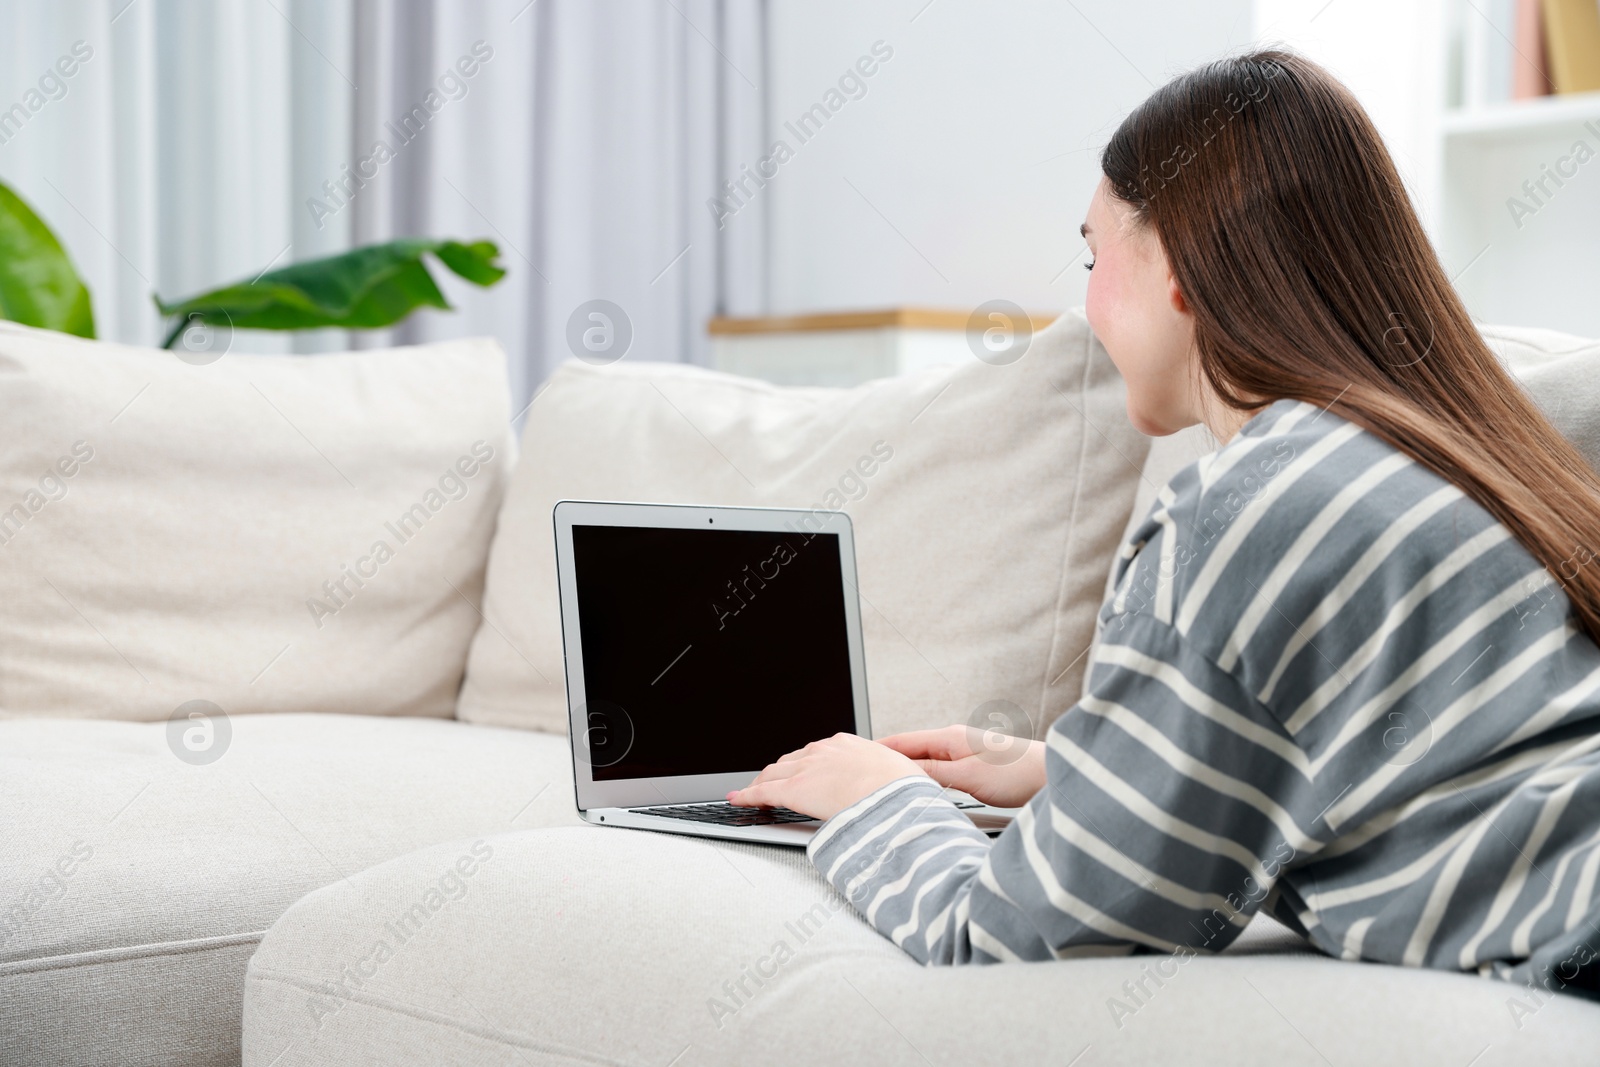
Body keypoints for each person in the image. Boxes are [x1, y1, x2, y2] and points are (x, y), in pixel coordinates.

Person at [727, 49, 1600, 999]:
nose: (1087, 299)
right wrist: (1077, 767)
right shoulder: (1464, 451)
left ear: (1178, 269)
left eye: (1097, 257)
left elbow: (1009, 939)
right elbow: (1432, 749)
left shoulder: (1242, 514)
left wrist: (874, 798)